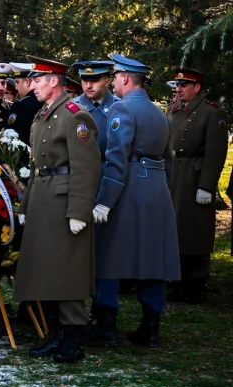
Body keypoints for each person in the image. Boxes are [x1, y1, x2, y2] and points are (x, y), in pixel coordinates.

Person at [13, 56, 99, 363]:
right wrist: (26, 204)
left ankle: (73, 339)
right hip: (44, 198)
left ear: (53, 82)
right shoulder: (45, 114)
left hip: (64, 201)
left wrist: (79, 210)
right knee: (48, 268)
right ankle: (58, 335)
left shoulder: (75, 115)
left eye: (37, 80)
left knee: (68, 270)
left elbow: (86, 168)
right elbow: (38, 167)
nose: (32, 85)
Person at [90, 54, 180, 346]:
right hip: (156, 189)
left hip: (127, 189)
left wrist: (105, 201)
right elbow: (169, 159)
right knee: (152, 257)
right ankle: (150, 327)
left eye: (116, 77)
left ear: (125, 78)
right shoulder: (159, 112)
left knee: (109, 255)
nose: (114, 81)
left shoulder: (121, 109)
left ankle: (105, 327)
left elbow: (117, 160)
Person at [167, 67, 228, 304]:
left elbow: (216, 152)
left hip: (195, 175)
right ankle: (177, 281)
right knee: (176, 226)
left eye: (184, 85)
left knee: (196, 229)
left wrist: (207, 185)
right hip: (175, 174)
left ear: (197, 87)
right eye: (177, 85)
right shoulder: (174, 109)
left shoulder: (213, 112)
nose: (179, 89)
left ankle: (197, 282)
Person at [70, 59, 115, 161]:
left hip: (111, 172)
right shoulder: (71, 107)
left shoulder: (119, 106)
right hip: (80, 172)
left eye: (94, 80)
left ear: (107, 81)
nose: (89, 86)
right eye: (85, 80)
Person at [5, 63, 43, 145]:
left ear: (27, 82)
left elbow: (13, 135)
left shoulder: (20, 106)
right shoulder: (45, 101)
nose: (16, 87)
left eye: (17, 82)